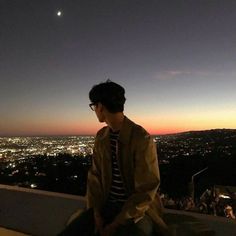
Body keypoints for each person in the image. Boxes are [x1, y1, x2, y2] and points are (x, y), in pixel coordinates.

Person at [59, 80, 170, 236]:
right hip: (106, 207)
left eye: (94, 106)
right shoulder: (101, 137)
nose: (94, 111)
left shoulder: (140, 138)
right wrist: (96, 212)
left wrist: (116, 223)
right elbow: (95, 178)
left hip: (137, 212)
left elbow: (146, 190)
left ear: (101, 106)